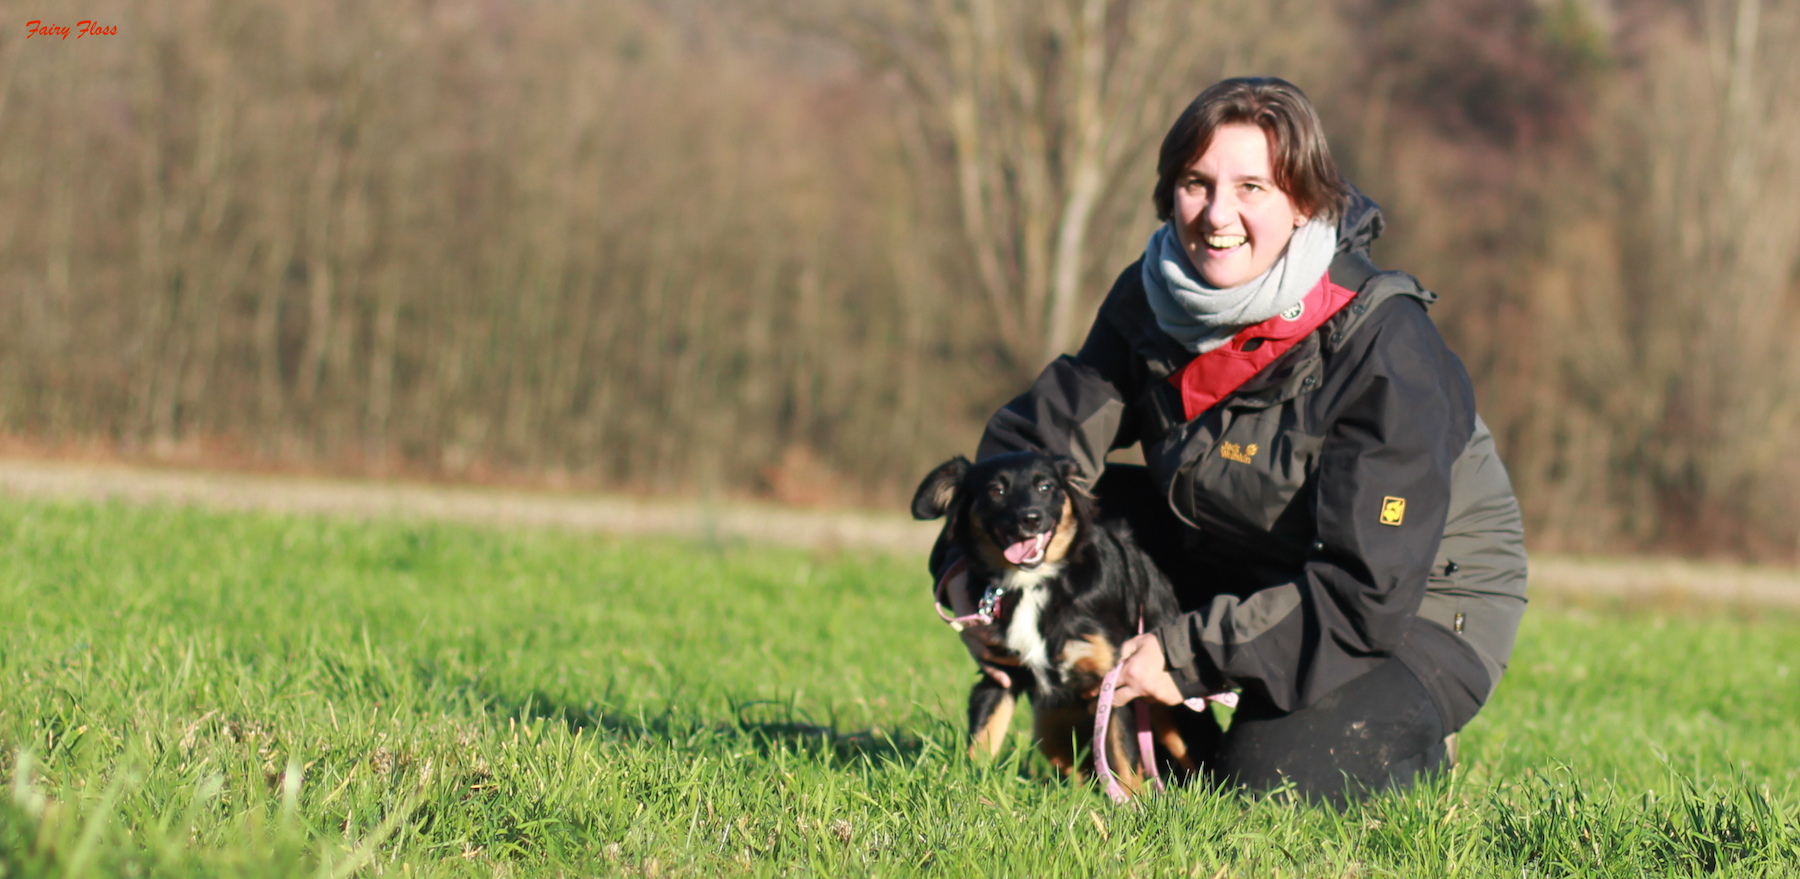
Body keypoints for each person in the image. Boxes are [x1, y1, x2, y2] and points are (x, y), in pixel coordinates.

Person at [934, 77, 1527, 807]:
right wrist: (969, 579)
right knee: (1076, 509)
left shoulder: (1384, 347)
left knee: (1261, 784)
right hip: (1249, 555)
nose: (1218, 215)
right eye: (1196, 183)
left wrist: (1183, 657)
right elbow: (1036, 447)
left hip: (1413, 605)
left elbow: (1366, 592)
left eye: (1252, 187)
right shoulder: (1153, 295)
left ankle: (1410, 738)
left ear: (1304, 201)